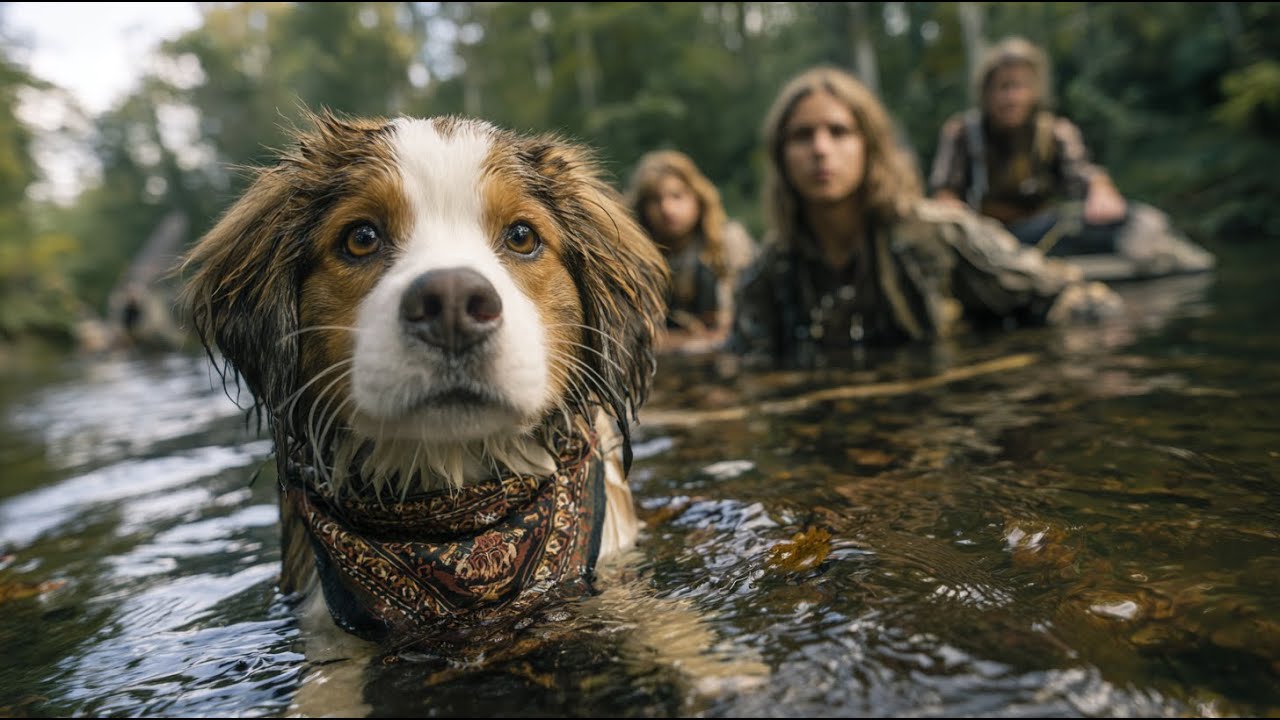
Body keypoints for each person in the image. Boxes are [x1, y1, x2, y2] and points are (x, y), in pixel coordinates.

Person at [730, 64, 1122, 367]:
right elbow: (744, 357)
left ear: (870, 146)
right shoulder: (769, 271)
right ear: (781, 156)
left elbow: (1070, 296)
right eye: (802, 135)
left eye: (839, 131)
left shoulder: (941, 233)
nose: (820, 149)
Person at [929, 37, 1215, 281]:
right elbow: (944, 193)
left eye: (1019, 86)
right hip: (985, 237)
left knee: (1138, 219)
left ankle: (1152, 259)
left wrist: (1101, 189)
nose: (1011, 97)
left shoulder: (1055, 131)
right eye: (1003, 87)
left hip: (1044, 230)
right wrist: (962, 223)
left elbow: (1082, 173)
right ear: (986, 92)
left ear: (1034, 90)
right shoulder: (962, 132)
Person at [626, 149, 757, 353]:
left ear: (698, 198)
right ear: (643, 207)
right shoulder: (634, 258)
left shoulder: (730, 243)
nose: (667, 208)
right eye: (655, 199)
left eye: (677, 196)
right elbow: (634, 336)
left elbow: (751, 318)